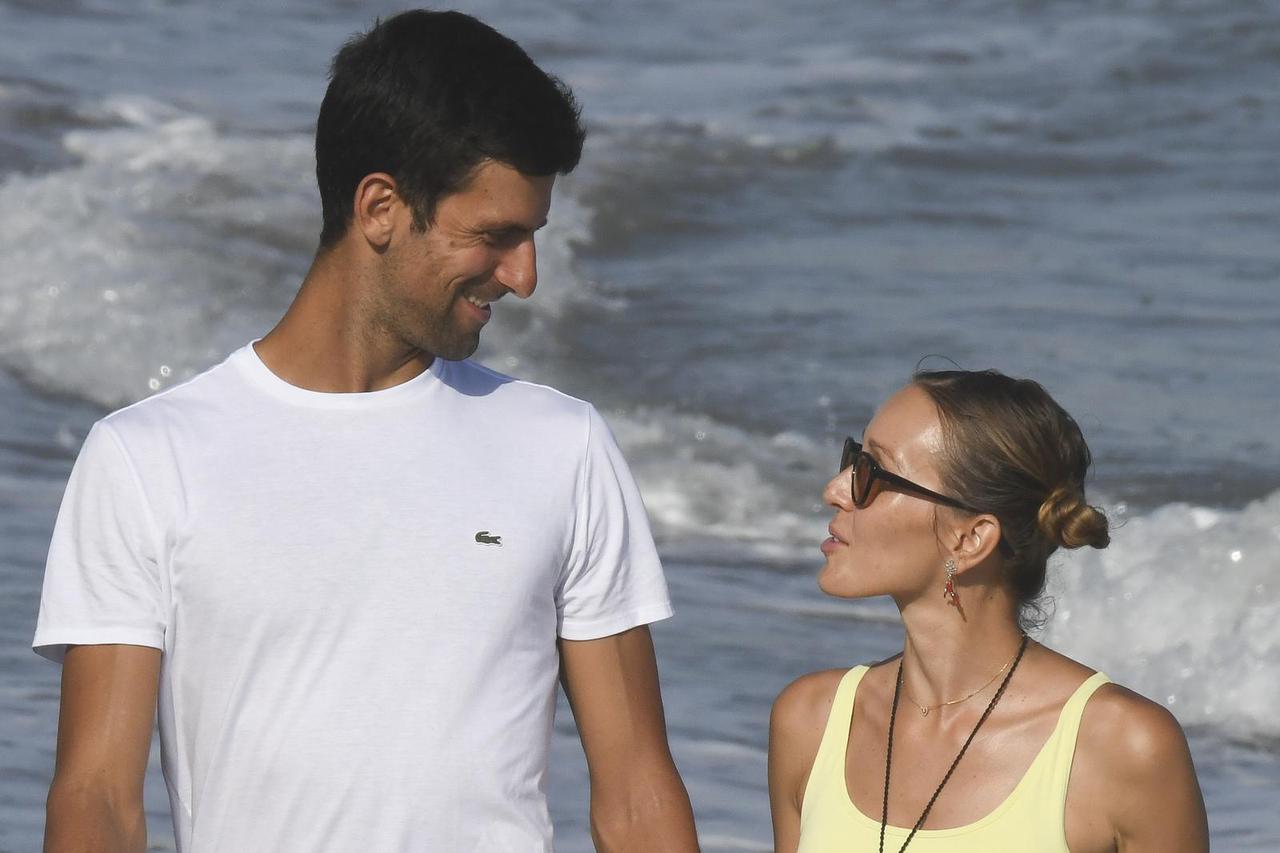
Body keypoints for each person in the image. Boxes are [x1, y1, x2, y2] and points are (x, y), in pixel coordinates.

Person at [34, 10, 699, 852]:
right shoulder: (147, 459)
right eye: (495, 236)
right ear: (380, 207)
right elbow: (98, 800)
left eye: (531, 238)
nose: (525, 276)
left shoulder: (563, 446)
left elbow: (637, 795)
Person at [768, 369, 1209, 852]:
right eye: (854, 459)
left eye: (872, 473)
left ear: (970, 539)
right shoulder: (813, 721)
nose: (835, 489)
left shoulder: (1119, 746)